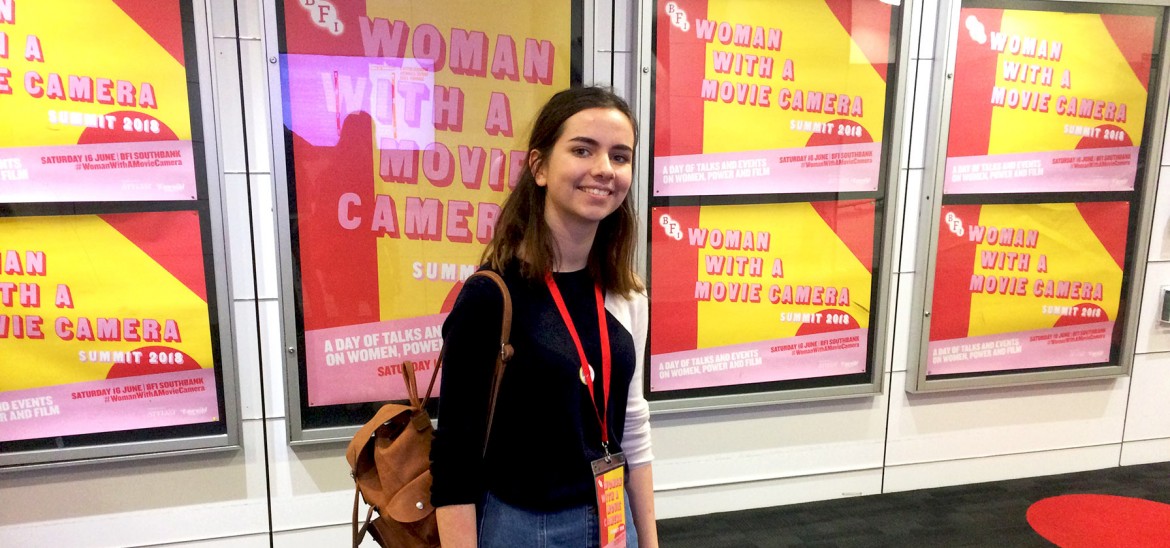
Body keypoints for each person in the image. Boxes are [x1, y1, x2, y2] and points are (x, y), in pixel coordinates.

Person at [429, 86, 658, 548]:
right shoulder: (491, 298)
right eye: (582, 150)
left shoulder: (626, 292)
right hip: (525, 529)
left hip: (615, 522)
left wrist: (648, 540)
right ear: (538, 167)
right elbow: (454, 460)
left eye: (620, 156)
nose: (603, 170)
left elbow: (632, 423)